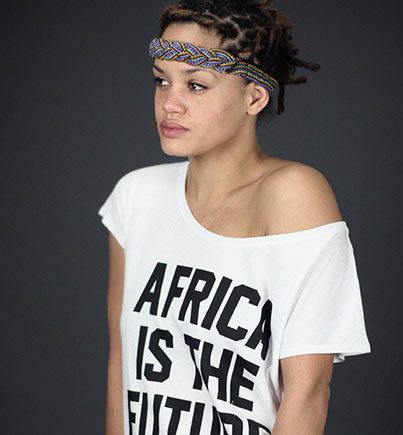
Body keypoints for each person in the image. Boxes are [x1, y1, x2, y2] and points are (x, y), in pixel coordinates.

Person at [98, 1, 371, 434]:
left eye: (196, 85)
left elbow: (308, 392)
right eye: (161, 81)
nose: (170, 104)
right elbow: (121, 364)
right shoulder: (135, 197)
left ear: (254, 97)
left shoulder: (293, 194)